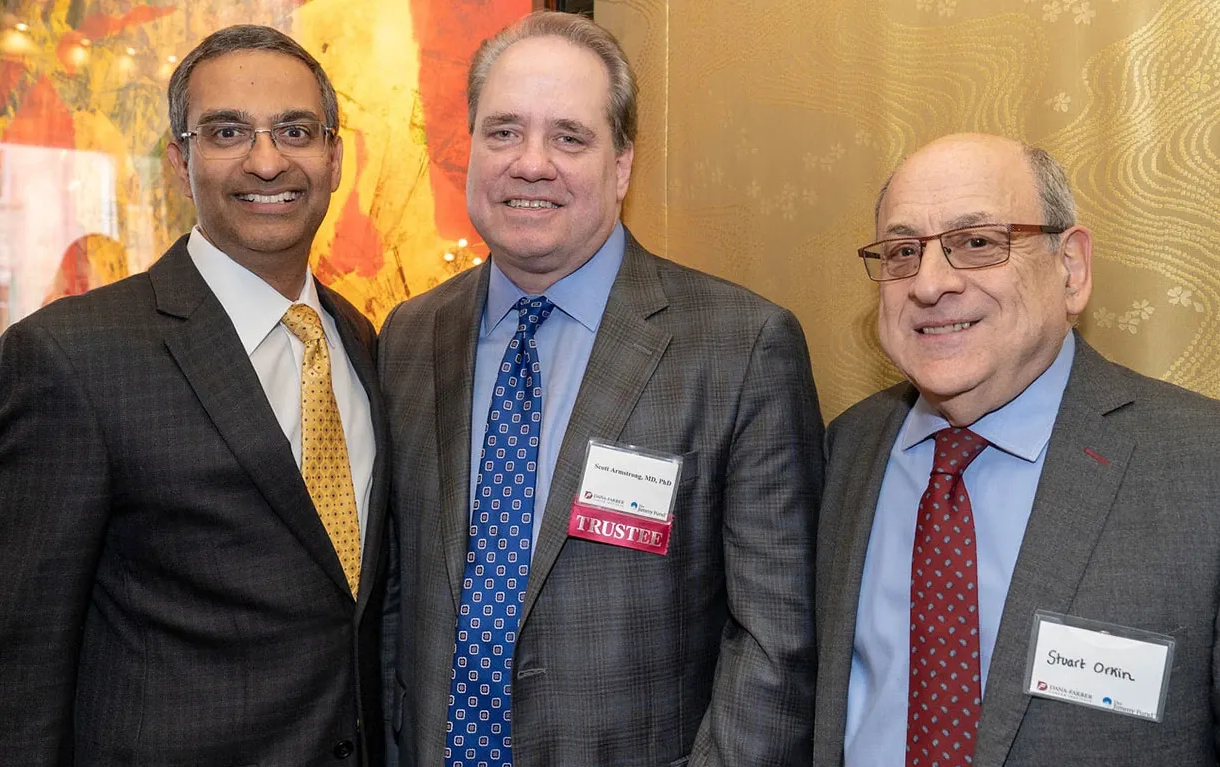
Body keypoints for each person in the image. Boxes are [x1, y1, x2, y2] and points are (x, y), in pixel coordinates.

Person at [379, 11, 823, 767]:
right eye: (504, 132)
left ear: (621, 166)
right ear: (470, 149)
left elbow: (775, 642)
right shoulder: (409, 337)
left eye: (569, 137)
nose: (531, 164)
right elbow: (395, 599)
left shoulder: (741, 347)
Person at [0, 25, 388, 766]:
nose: (267, 161)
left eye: (296, 131)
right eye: (227, 132)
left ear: (334, 158)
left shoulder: (359, 340)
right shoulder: (71, 357)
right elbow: (21, 662)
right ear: (181, 162)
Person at [813, 133, 1220, 767]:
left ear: (1071, 268)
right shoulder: (844, 451)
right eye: (903, 251)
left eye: (978, 242)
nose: (929, 284)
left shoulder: (1201, 464)